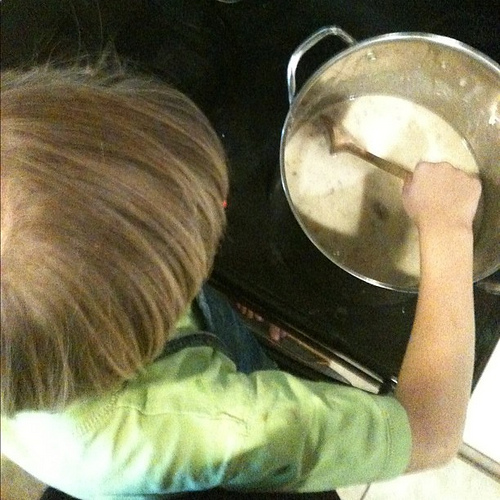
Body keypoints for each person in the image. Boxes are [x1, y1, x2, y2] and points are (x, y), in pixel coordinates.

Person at [0, 63, 482, 499]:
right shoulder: (218, 421)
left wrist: (208, 310)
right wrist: (448, 226)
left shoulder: (45, 312)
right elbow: (431, 432)